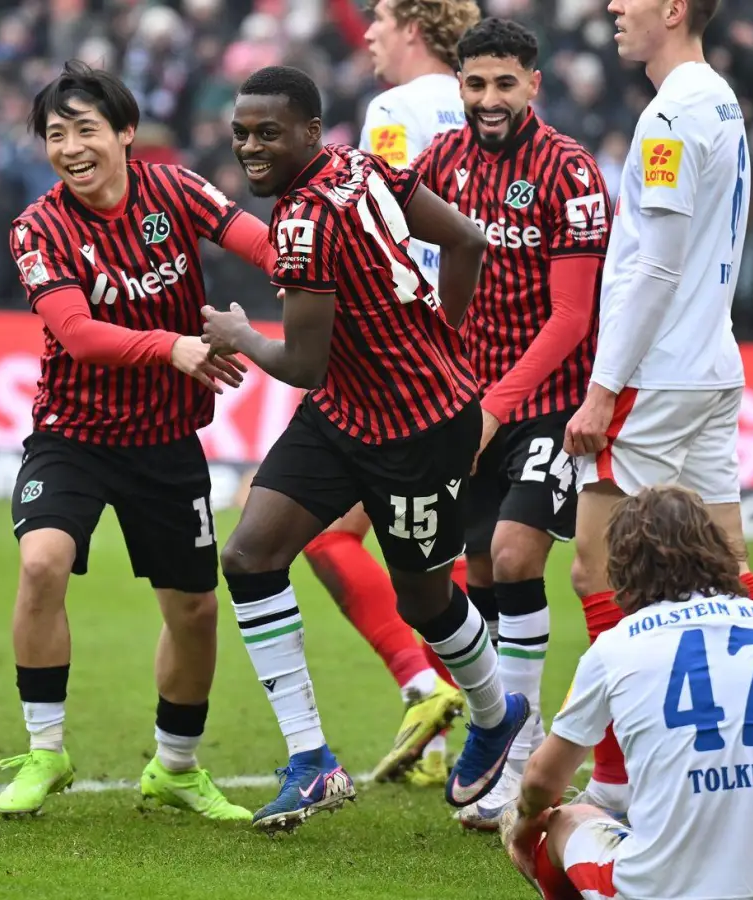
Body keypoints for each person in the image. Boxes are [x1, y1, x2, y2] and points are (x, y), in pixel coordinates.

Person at [203, 65, 530, 834]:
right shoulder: (363, 165)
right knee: (249, 556)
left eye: (269, 133)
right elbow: (467, 239)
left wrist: (240, 333)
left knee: (424, 600)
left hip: (417, 431)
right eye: (241, 133)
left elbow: (301, 364)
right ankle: (311, 760)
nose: (251, 147)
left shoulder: (301, 222)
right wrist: (442, 335)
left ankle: (496, 713)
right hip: (345, 413)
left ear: (310, 132)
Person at [0, 60, 275, 821]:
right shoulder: (37, 228)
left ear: (125, 132)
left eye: (85, 130)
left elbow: (260, 243)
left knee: (195, 612)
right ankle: (45, 750)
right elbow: (79, 335)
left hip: (165, 440)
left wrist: (307, 277)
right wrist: (173, 346)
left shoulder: (176, 189)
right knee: (42, 562)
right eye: (56, 136)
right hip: (73, 436)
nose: (71, 148)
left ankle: (176, 767)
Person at [407, 16, 620, 831]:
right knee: (479, 573)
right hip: (461, 402)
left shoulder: (570, 171)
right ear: (458, 85)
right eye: (475, 84)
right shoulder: (437, 163)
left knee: (513, 553)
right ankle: (496, 732)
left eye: (505, 83)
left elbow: (572, 317)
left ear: (534, 83)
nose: (489, 99)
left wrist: (497, 407)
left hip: (549, 406)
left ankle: (518, 757)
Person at [560, 0, 753, 817]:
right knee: (728, 561)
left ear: (675, 9)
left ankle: (615, 780)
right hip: (711, 362)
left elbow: (657, 267)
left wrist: (603, 388)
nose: (614, 6)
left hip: (657, 375)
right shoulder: (720, 98)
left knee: (597, 569)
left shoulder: (672, 116)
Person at [304, 0, 483, 791]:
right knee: (446, 545)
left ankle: (424, 684)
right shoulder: (491, 108)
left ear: (413, 24)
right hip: (481, 344)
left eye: (378, 17)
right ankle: (449, 735)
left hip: (399, 354)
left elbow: (378, 227)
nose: (369, 33)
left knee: (323, 533)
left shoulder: (394, 111)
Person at [503, 486, 753, 900]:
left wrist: (525, 827)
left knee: (566, 819)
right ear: (717, 548)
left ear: (624, 564)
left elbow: (541, 779)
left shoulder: (615, 645)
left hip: (653, 891)